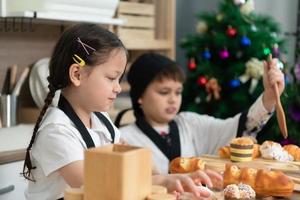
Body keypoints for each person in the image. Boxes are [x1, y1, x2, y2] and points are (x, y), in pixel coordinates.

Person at [22, 24, 222, 200]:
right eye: (111, 78)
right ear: (77, 74)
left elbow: (133, 173)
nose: (118, 88)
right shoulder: (56, 131)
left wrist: (174, 180)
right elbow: (101, 189)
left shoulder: (102, 122)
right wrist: (162, 182)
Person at [117, 53, 285, 175]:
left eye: (178, 92)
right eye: (164, 92)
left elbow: (238, 127)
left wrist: (269, 97)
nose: (173, 100)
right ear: (139, 96)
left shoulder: (191, 123)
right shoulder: (123, 139)